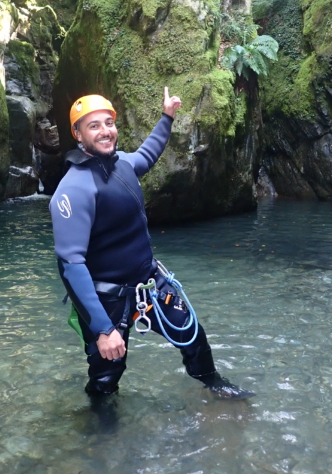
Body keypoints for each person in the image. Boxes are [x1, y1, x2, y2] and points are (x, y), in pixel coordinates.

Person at [49, 88, 254, 400]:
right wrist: (104, 330)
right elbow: (70, 265)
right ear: (78, 134)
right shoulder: (72, 191)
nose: (105, 131)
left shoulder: (123, 165)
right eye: (94, 126)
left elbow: (148, 153)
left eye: (109, 123)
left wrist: (167, 117)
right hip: (108, 299)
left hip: (149, 284)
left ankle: (216, 386)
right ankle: (100, 435)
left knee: (192, 336)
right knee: (107, 374)